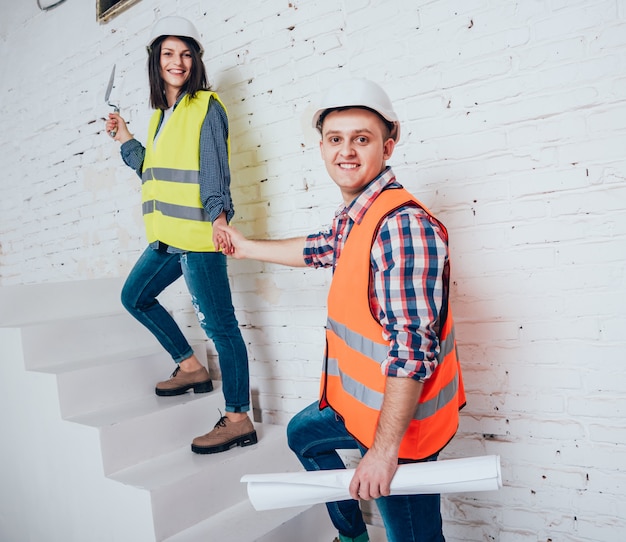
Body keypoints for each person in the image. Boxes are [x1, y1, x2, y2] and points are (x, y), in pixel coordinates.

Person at [221, 79, 466, 541]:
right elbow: (318, 248)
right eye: (336, 139)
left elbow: (413, 350)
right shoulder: (355, 216)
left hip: (401, 429)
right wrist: (245, 246)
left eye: (362, 139)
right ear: (322, 148)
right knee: (303, 434)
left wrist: (383, 451)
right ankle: (352, 535)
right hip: (358, 410)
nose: (346, 151)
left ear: (387, 145)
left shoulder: (402, 226)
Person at [105, 16, 256, 455]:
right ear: (156, 61)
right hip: (169, 238)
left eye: (186, 54)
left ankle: (238, 418)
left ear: (196, 61)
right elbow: (150, 170)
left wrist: (219, 219)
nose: (178, 61)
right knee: (135, 297)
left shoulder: (205, 106)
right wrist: (126, 137)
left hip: (201, 237)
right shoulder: (159, 117)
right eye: (169, 54)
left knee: (222, 328)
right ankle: (190, 367)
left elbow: (213, 171)